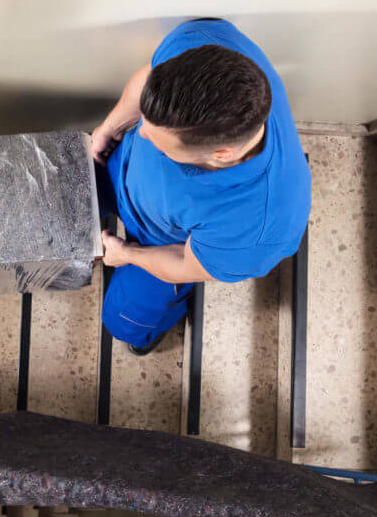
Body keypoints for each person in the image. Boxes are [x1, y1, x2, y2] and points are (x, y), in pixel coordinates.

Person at [91, 18, 311, 355]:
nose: (143, 134)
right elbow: (148, 77)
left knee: (122, 323)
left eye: (161, 142)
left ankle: (165, 314)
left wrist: (128, 254)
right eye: (146, 121)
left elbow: (184, 262)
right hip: (123, 167)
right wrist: (112, 127)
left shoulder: (259, 226)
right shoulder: (204, 44)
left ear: (221, 154)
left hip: (162, 242)